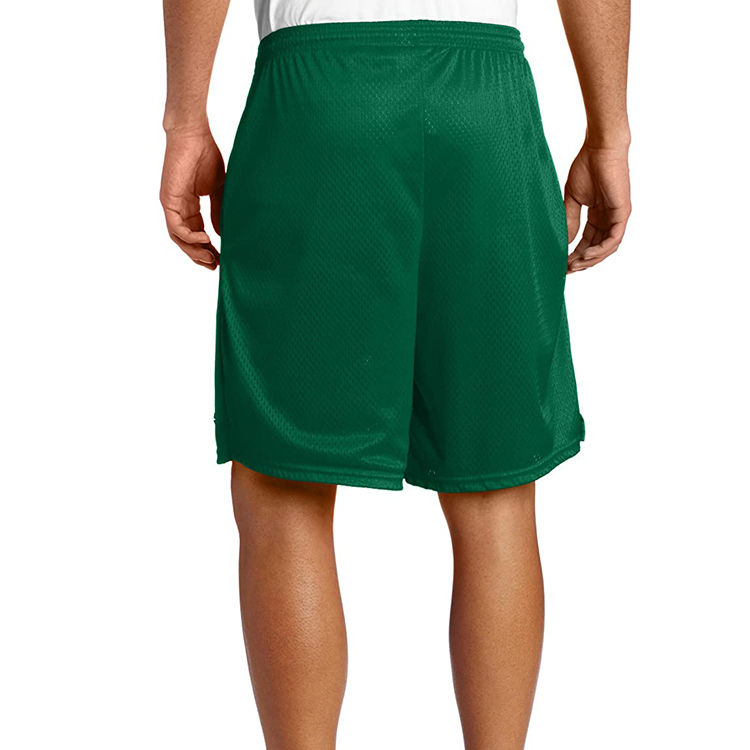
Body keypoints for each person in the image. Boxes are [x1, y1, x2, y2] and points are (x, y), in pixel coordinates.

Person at [160, 0, 631, 747]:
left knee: (284, 485)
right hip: (485, 99)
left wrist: (185, 120)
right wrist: (609, 132)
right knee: (495, 489)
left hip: (320, 97)